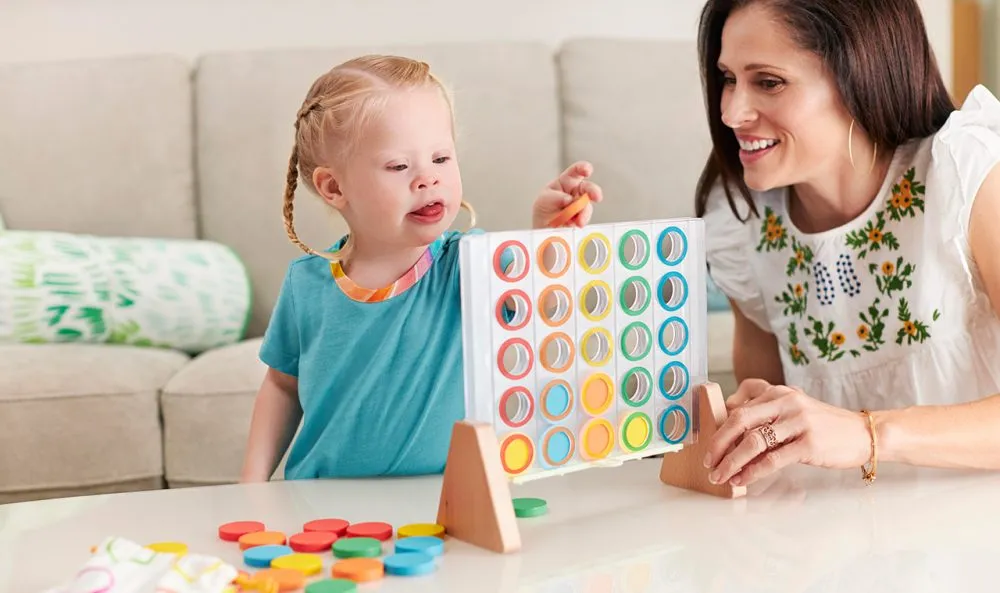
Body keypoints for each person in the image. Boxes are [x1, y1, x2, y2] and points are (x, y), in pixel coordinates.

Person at [239, 55, 602, 481]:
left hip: (447, 501)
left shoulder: (472, 261)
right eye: (398, 166)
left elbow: (547, 310)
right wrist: (252, 483)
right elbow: (283, 386)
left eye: (442, 159)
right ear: (334, 187)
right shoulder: (306, 283)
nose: (427, 179)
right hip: (322, 503)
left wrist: (548, 238)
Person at [694, 0, 1000, 488]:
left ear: (862, 74)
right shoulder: (741, 222)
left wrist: (867, 434)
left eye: (768, 82)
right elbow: (772, 453)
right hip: (841, 539)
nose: (732, 112)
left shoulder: (965, 174)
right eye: (728, 78)